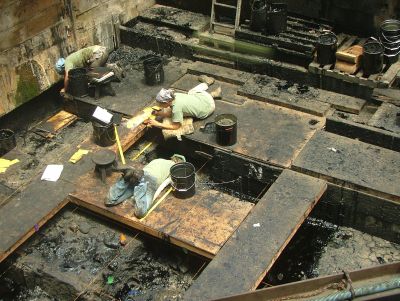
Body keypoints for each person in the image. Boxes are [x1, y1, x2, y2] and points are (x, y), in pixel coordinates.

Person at [107, 155, 185, 218]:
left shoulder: (158, 160)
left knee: (109, 202)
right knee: (140, 213)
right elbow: (165, 184)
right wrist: (153, 195)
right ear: (178, 164)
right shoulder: (174, 170)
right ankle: (141, 185)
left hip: (139, 174)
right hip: (150, 180)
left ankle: (124, 180)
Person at [146, 75, 221, 131]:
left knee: (190, 94)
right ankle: (211, 93)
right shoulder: (175, 95)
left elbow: (176, 126)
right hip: (206, 98)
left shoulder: (176, 109)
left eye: (160, 103)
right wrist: (158, 113)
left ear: (168, 102)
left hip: (208, 110)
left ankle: (209, 88)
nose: (159, 105)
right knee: (191, 92)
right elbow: (173, 112)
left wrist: (157, 124)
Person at [55, 45, 123, 96]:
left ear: (62, 67)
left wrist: (65, 89)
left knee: (90, 75)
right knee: (95, 69)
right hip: (102, 51)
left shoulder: (67, 62)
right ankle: (112, 67)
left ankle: (106, 85)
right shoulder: (71, 60)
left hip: (98, 53)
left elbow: (67, 77)